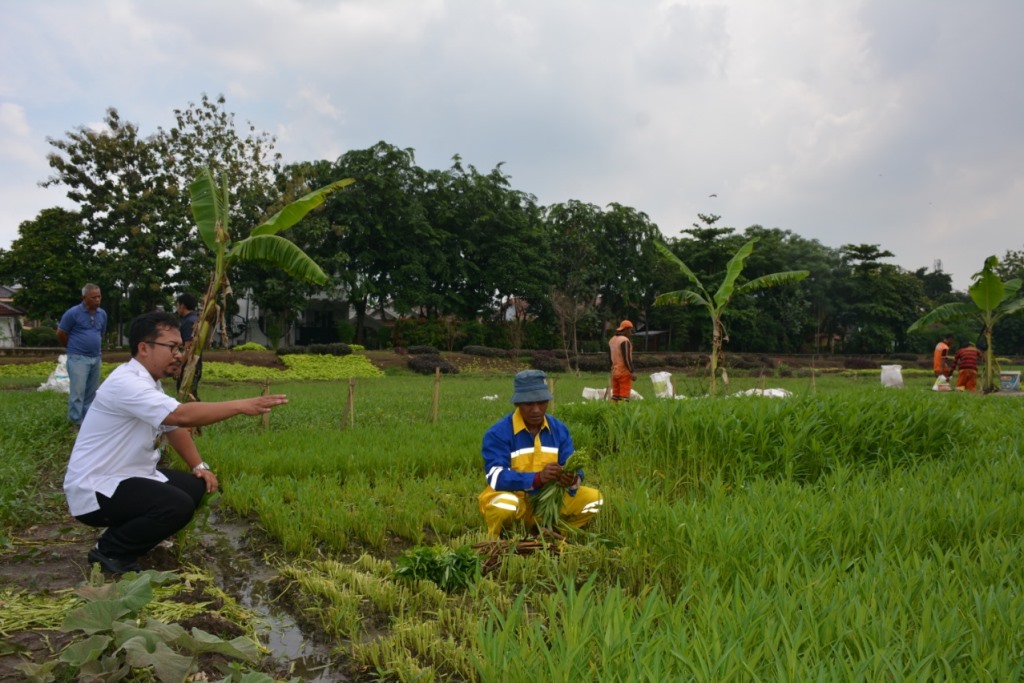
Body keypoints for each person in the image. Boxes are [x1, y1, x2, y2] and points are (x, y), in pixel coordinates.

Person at [64, 311, 288, 575]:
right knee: (175, 505)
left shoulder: (148, 384)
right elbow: (180, 415)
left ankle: (125, 534)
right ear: (144, 348)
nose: (179, 355)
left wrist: (199, 465)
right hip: (96, 486)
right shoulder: (126, 384)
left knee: (195, 487)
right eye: (172, 347)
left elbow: (173, 426)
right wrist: (239, 405)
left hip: (125, 476)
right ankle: (110, 552)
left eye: (181, 348)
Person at [478, 369, 603, 538]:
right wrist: (537, 479)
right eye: (529, 404)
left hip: (548, 502)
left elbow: (572, 463)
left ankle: (552, 534)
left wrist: (573, 478)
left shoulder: (559, 429)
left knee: (595, 499)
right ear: (517, 404)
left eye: (542, 403)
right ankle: (508, 539)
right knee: (504, 506)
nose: (536, 410)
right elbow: (495, 477)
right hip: (517, 501)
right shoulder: (498, 433)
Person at [57, 284, 108, 427]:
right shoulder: (72, 313)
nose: (97, 300)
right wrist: (72, 347)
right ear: (84, 298)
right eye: (94, 297)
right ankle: (75, 422)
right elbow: (61, 333)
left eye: (99, 296)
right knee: (78, 393)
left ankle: (87, 421)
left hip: (95, 357)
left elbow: (100, 333)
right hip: (78, 357)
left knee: (91, 393)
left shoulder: (102, 314)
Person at [175, 293, 202, 400]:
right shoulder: (196, 319)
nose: (177, 308)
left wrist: (180, 366)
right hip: (197, 363)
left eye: (177, 305)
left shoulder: (188, 322)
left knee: (186, 395)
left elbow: (188, 348)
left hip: (189, 365)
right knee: (191, 394)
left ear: (182, 305)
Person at [608, 320, 636, 402]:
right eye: (630, 330)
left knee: (615, 396)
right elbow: (626, 358)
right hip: (624, 372)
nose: (631, 333)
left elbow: (610, 357)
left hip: (614, 371)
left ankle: (614, 412)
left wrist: (612, 368)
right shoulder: (624, 341)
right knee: (624, 397)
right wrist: (632, 371)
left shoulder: (612, 340)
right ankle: (623, 413)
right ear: (626, 329)